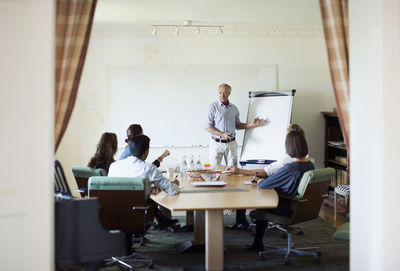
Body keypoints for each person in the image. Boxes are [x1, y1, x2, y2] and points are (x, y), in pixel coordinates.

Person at [205, 83, 264, 230]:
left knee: (234, 174)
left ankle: (236, 212)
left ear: (229, 93)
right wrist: (222, 134)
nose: (222, 95)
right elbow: (207, 126)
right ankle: (215, 208)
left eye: (224, 93)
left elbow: (238, 125)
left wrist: (252, 124)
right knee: (214, 174)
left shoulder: (234, 108)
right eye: (220, 92)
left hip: (232, 144)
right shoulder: (212, 107)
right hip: (216, 143)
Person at [247, 129, 315, 251]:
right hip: (302, 208)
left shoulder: (290, 168)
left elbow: (264, 185)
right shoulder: (310, 165)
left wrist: (258, 180)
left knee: (260, 207)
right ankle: (257, 243)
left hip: (287, 208)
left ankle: (257, 244)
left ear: (289, 148)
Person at [108, 135, 180, 230]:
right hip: (137, 208)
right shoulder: (148, 168)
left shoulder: (114, 165)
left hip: (112, 207)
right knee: (156, 196)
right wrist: (176, 185)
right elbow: (171, 190)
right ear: (146, 152)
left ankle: (163, 221)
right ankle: (163, 221)